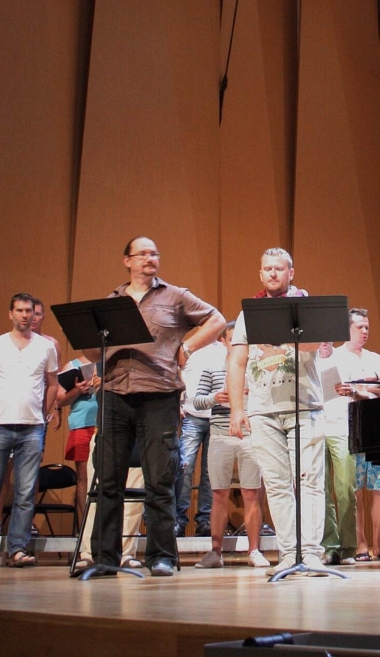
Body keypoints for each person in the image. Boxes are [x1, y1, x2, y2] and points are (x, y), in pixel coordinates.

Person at [90, 237, 226, 577]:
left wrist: (188, 347)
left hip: (158, 395)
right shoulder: (112, 302)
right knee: (108, 481)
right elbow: (92, 352)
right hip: (115, 393)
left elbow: (216, 319)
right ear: (127, 260)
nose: (150, 258)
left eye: (154, 253)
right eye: (143, 253)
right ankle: (105, 558)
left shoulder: (175, 296)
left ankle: (161, 556)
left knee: (160, 480)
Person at [227, 248, 328, 575]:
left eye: (279, 269)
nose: (273, 273)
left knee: (310, 481)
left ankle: (310, 553)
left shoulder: (304, 304)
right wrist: (237, 409)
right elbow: (237, 362)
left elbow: (313, 345)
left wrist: (284, 332)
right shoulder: (248, 314)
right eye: (267, 269)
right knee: (277, 485)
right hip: (262, 409)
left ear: (290, 273)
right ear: (260, 274)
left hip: (304, 406)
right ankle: (288, 554)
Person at [0, 294, 59, 568]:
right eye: (20, 310)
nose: (25, 315)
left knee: (25, 493)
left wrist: (42, 415)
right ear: (10, 314)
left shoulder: (46, 347)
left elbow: (52, 384)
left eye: (29, 311)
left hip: (32, 429)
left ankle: (18, 549)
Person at [316, 308, 380, 564]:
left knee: (348, 489)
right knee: (325, 491)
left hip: (354, 427)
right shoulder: (322, 357)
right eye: (360, 327)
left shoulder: (361, 358)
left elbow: (379, 385)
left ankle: (352, 546)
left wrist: (356, 388)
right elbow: (331, 389)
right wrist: (368, 383)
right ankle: (332, 546)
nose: (364, 331)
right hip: (325, 426)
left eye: (367, 327)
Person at [192, 323, 269, 569]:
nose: (236, 343)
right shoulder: (213, 367)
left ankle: (254, 550)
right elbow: (196, 401)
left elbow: (267, 397)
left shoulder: (255, 367)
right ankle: (215, 552)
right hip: (220, 433)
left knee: (251, 492)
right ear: (223, 342)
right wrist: (215, 397)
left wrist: (250, 394)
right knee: (218, 493)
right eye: (231, 339)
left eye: (240, 339)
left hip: (249, 434)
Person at [175, 329, 218, 539]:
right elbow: (176, 375)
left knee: (210, 473)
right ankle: (179, 519)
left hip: (217, 416)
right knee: (185, 467)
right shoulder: (188, 348)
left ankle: (205, 520)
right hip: (191, 415)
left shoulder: (222, 350)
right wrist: (178, 402)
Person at [57, 353, 102, 525]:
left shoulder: (108, 362)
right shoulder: (72, 366)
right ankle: (85, 525)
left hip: (105, 422)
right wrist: (77, 390)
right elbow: (60, 400)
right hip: (82, 423)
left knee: (107, 475)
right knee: (83, 476)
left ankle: (102, 524)